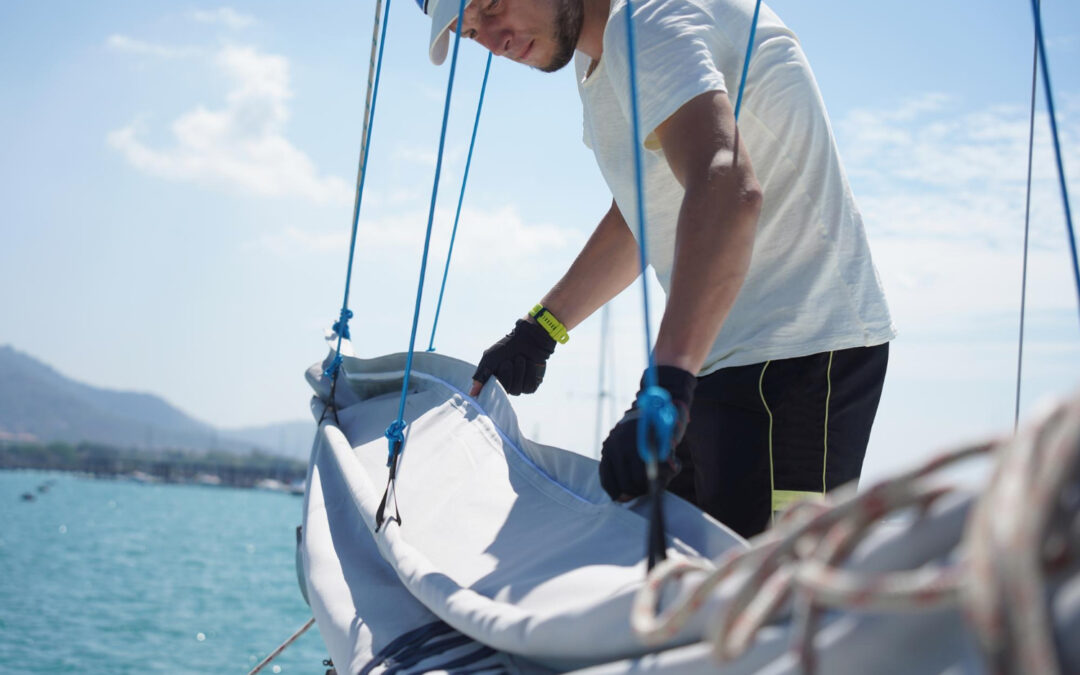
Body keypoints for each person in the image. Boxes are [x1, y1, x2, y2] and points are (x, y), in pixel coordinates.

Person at [419, 0, 895, 539]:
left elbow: (726, 187)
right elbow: (645, 208)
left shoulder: (645, 22)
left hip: (798, 361)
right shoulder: (598, 55)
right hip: (717, 359)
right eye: (471, 31)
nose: (493, 40)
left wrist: (665, 386)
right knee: (673, 576)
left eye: (491, 5)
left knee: (770, 599)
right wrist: (541, 329)